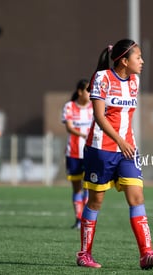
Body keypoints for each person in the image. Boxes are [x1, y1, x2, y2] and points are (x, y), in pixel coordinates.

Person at [76, 39, 153, 270]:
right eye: (138, 57)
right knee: (96, 201)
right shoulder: (102, 78)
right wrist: (119, 140)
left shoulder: (135, 81)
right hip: (101, 150)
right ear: (125, 61)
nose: (142, 61)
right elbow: (99, 116)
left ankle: (146, 253)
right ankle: (84, 254)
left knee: (136, 197)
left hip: (128, 150)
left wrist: (125, 142)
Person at [62, 79, 93, 229]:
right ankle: (78, 219)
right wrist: (82, 135)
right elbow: (69, 127)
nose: (90, 93)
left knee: (88, 186)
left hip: (89, 152)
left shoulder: (94, 107)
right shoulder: (69, 106)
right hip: (73, 152)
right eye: (88, 90)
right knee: (76, 187)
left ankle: (86, 220)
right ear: (80, 92)